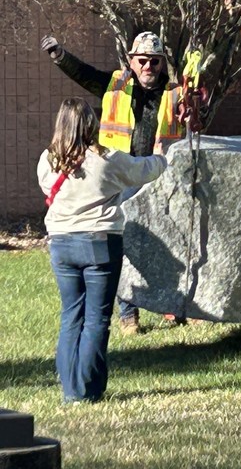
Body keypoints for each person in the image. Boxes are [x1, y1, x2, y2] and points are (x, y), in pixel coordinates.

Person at [41, 31, 186, 334]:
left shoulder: (176, 93)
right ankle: (128, 313)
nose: (149, 66)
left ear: (162, 64)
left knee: (168, 244)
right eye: (143, 60)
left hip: (161, 179)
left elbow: (195, 119)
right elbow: (85, 74)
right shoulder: (115, 85)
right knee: (124, 245)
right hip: (121, 180)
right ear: (132, 61)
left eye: (155, 61)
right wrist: (60, 56)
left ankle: (169, 305)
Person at [39, 98, 167, 403]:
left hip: (61, 243)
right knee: (97, 319)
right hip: (99, 243)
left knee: (71, 315)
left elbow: (48, 189)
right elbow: (145, 170)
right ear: (91, 125)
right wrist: (163, 156)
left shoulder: (47, 160)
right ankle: (88, 390)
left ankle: (71, 389)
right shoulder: (107, 160)